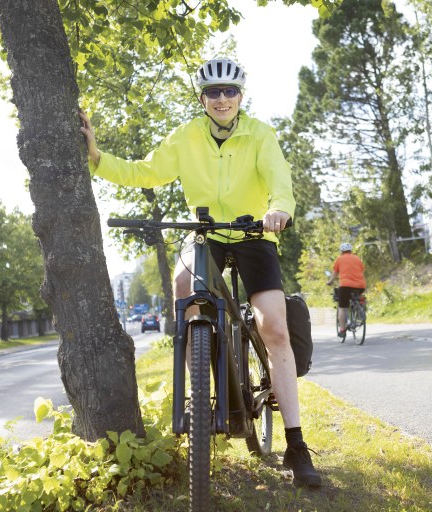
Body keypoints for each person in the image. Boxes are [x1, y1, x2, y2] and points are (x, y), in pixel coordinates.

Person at [78, 58, 321, 488]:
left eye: (229, 91)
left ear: (241, 95)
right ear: (202, 97)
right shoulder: (186, 136)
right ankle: (198, 378)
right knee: (182, 285)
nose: (222, 99)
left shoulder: (260, 134)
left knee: (274, 327)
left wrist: (279, 209)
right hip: (206, 234)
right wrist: (97, 157)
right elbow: (145, 171)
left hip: (253, 234)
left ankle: (297, 445)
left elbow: (280, 179)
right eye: (213, 92)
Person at [326, 243, 366, 336]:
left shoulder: (339, 259)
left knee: (342, 307)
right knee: (358, 298)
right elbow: (361, 271)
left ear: (341, 251)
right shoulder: (357, 258)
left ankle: (342, 330)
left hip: (345, 286)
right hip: (360, 286)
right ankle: (359, 310)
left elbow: (335, 273)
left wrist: (330, 282)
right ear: (351, 251)